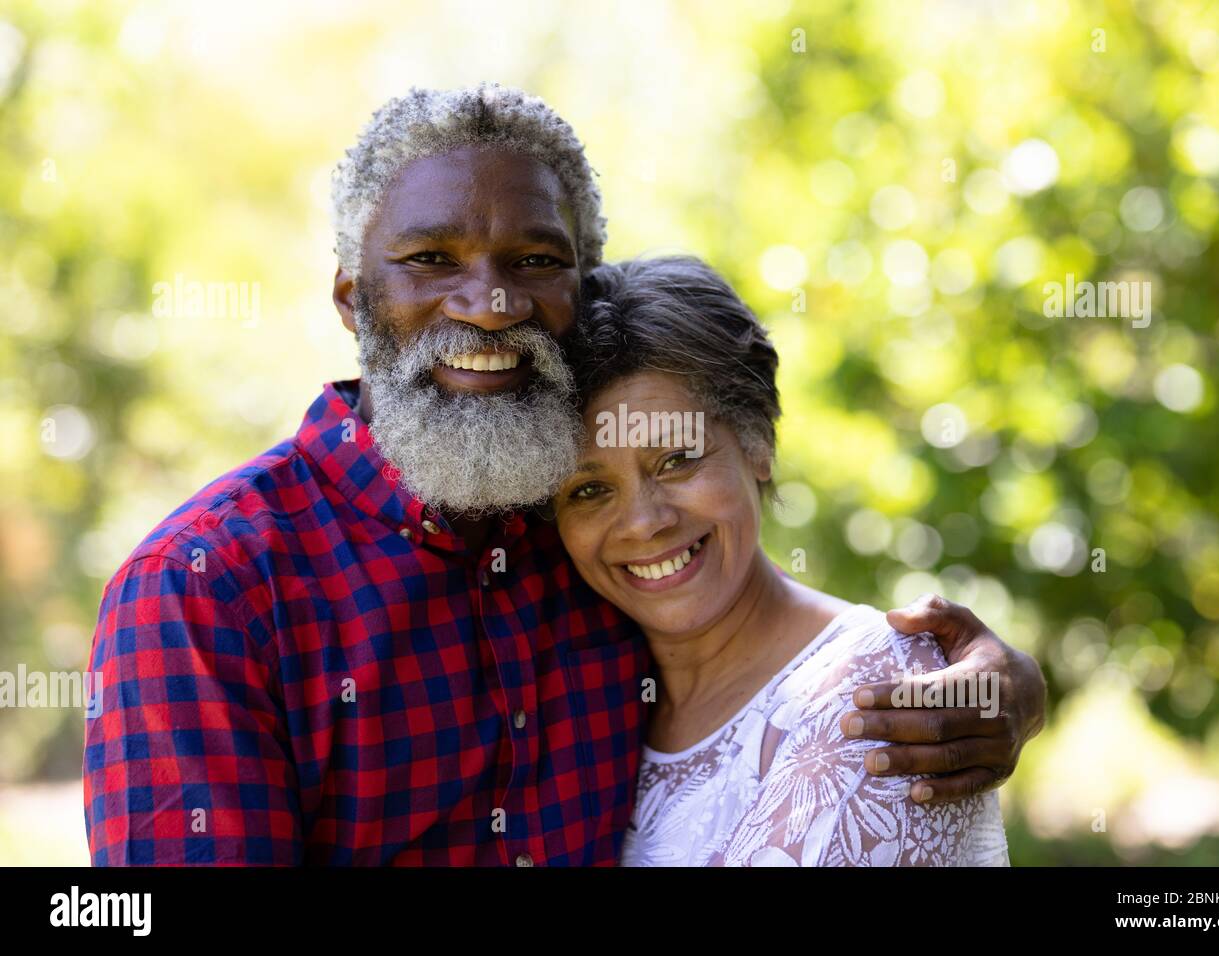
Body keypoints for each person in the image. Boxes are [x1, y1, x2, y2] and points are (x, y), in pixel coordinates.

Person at [83, 84, 1045, 865]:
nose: (491, 304)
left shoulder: (575, 527)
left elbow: (771, 657)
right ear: (351, 296)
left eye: (533, 260)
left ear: (579, 287)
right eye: (431, 259)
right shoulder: (208, 590)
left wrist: (1000, 687)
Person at [553, 257, 1011, 865]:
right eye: (589, 490)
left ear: (757, 443)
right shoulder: (582, 691)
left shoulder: (874, 691)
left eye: (678, 459)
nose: (645, 522)